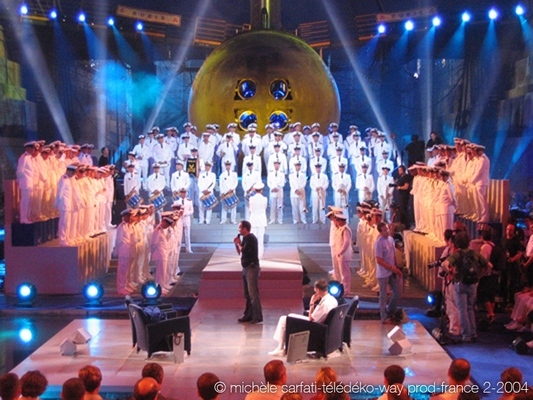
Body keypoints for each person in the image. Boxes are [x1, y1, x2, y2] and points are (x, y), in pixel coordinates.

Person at [442, 232, 490, 342]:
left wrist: (451, 273)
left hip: (460, 283)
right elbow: (488, 265)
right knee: (470, 308)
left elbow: (445, 264)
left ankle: (466, 334)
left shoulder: (457, 254)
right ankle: (473, 332)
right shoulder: (475, 253)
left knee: (462, 309)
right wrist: (480, 275)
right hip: (473, 283)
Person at [269, 279, 337, 356]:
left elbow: (311, 318)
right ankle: (283, 345)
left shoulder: (324, 304)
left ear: (317, 290)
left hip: (314, 326)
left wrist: (312, 303)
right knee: (290, 316)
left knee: (283, 319)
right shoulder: (332, 299)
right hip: (319, 323)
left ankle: (280, 347)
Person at [234, 220, 263, 324]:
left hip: (252, 267)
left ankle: (257, 316)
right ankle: (248, 314)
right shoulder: (245, 239)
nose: (239, 230)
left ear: (245, 228)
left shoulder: (251, 238)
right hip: (246, 268)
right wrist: (237, 244)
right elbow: (241, 253)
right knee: (247, 294)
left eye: (240, 227)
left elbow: (245, 251)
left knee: (253, 293)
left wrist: (239, 244)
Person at [374, 222, 403, 324]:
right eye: (385, 230)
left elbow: (393, 254)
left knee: (398, 291)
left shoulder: (391, 239)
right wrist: (391, 267)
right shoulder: (379, 243)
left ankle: (391, 311)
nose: (387, 231)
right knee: (383, 296)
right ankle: (384, 317)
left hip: (392, 271)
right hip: (383, 273)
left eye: (388, 229)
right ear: (380, 232)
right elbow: (379, 260)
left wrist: (396, 267)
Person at [333, 214, 353, 296]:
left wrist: (341, 252)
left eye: (336, 221)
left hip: (344, 255)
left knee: (345, 273)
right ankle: (342, 288)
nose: (335, 223)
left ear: (340, 221)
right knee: (341, 272)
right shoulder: (340, 229)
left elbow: (346, 242)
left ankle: (346, 290)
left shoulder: (345, 230)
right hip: (340, 254)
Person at [249, 182, 268, 259]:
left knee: (253, 239)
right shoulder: (264, 199)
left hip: (253, 220)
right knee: (260, 238)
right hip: (261, 220)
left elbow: (250, 209)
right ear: (261, 190)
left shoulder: (251, 199)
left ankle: (253, 254)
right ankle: (260, 255)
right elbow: (264, 208)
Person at [219, 160, 238, 225]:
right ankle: (223, 219)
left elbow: (236, 182)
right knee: (224, 206)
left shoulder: (234, 174)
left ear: (230, 166)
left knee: (233, 206)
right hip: (225, 192)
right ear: (225, 166)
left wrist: (232, 188)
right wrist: (222, 192)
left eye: (229, 165)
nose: (228, 166)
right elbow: (221, 184)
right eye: (226, 165)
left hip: (232, 192)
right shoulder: (222, 175)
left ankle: (233, 219)